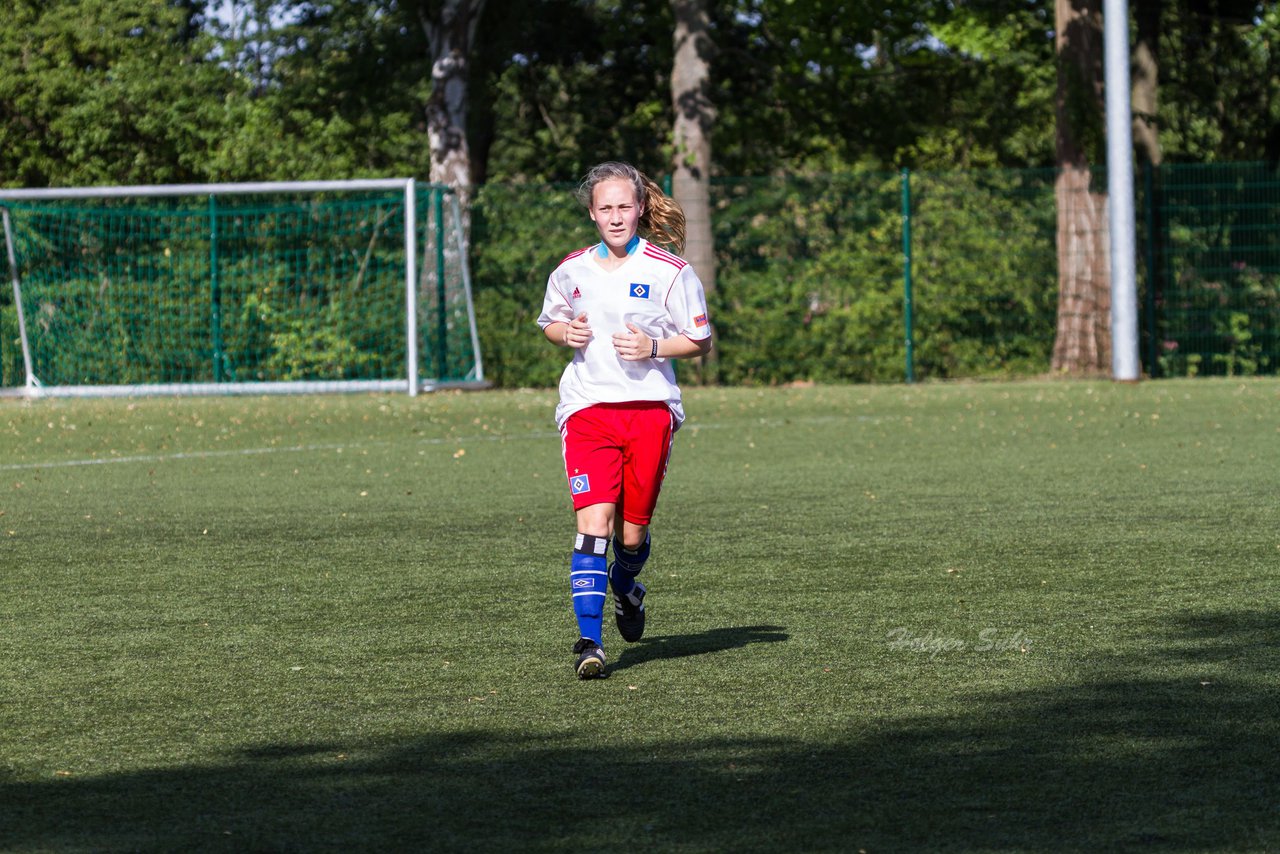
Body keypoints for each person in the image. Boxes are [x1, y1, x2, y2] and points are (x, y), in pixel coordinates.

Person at [537, 161, 713, 679]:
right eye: (605, 208)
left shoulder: (671, 271)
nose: (615, 217)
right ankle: (590, 643)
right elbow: (550, 321)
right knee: (593, 527)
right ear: (592, 213)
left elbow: (699, 339)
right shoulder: (570, 270)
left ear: (639, 209)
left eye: (623, 207)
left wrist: (654, 345)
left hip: (650, 413)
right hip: (587, 409)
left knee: (631, 538)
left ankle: (628, 589)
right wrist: (563, 333)